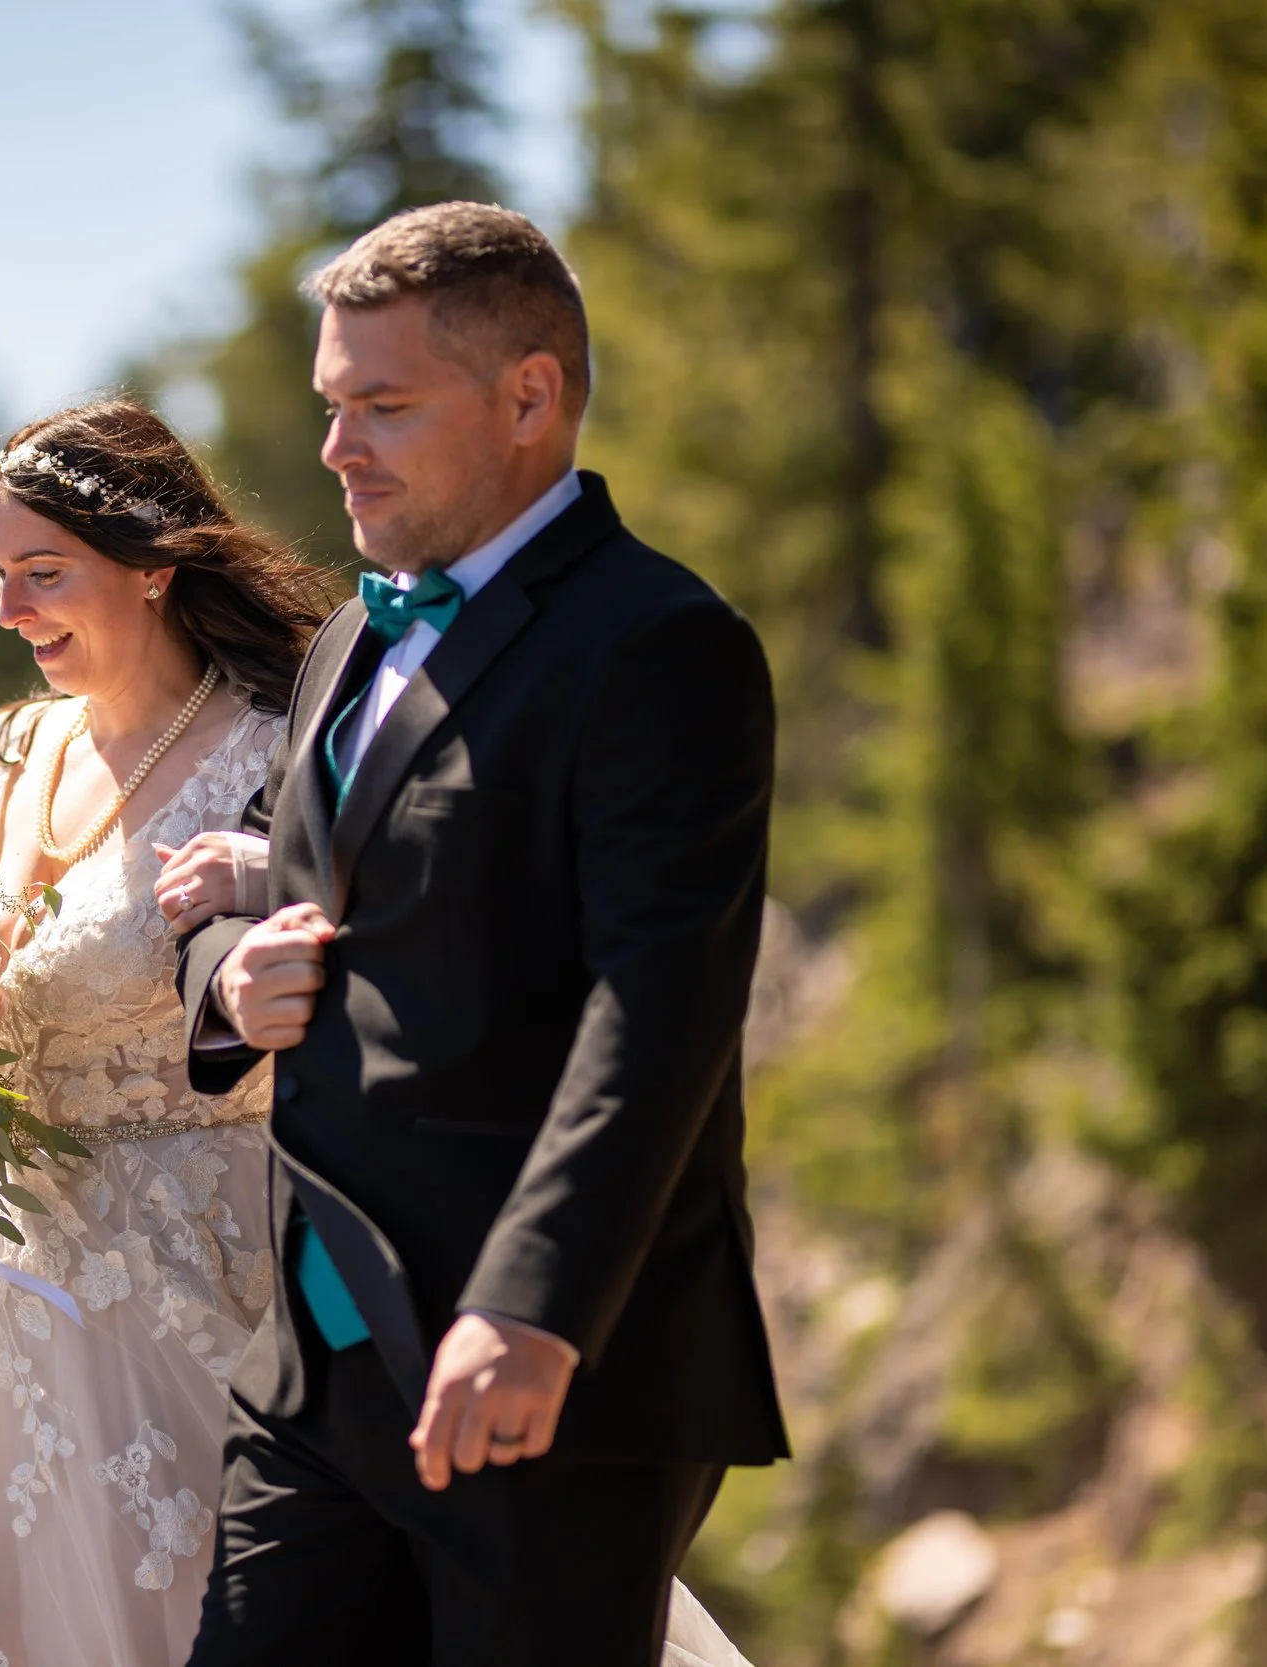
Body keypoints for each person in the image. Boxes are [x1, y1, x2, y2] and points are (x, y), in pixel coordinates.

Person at [174, 202, 789, 1667]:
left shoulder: (661, 645)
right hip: (316, 1363)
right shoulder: (346, 637)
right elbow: (250, 887)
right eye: (334, 406)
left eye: (384, 407)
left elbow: (659, 1010)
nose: (338, 449)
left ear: (532, 397)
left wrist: (536, 1307)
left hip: (542, 1383)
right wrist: (223, 984)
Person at [0, 398, 323, 1667]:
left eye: (42, 572)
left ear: (155, 565)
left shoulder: (275, 748)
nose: (9, 610)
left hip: (202, 1275)